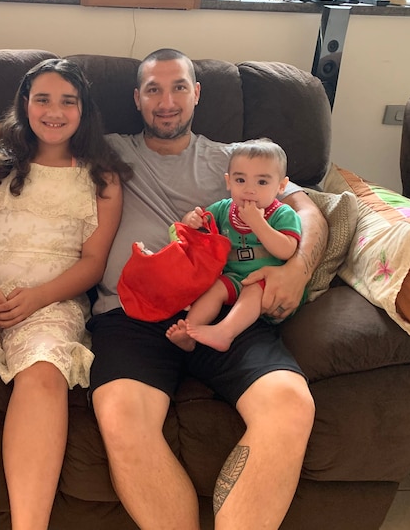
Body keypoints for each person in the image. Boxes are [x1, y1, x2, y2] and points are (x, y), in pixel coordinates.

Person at [88, 48, 324, 529]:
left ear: (197, 94)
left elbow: (310, 208)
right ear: (137, 98)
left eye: (178, 87)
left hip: (224, 309)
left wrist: (297, 268)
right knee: (120, 416)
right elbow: (29, 129)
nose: (166, 100)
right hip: (130, 315)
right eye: (153, 89)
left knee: (289, 405)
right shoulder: (109, 148)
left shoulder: (237, 161)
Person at [0, 58, 131, 530]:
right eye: (42, 100)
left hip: (51, 300)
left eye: (67, 101)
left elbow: (93, 263)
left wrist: (37, 297)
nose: (54, 111)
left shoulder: (103, 177)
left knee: (44, 373)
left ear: (84, 110)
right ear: (25, 106)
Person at [165, 139, 302, 353]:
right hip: (233, 277)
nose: (249, 190)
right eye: (240, 180)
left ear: (281, 186)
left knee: (253, 289)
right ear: (228, 182)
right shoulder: (223, 209)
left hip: (268, 284)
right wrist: (192, 218)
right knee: (214, 289)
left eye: (262, 183)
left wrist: (258, 223)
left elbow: (286, 249)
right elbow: (201, 222)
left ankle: (224, 332)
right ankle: (190, 330)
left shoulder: (282, 213)